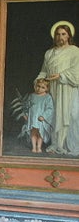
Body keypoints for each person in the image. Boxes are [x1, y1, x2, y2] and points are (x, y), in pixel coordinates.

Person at [35, 20, 79, 155]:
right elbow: (44, 70)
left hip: (67, 87)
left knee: (71, 115)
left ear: (69, 36)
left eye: (63, 34)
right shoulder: (49, 53)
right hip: (53, 88)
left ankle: (69, 145)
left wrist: (61, 75)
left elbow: (77, 70)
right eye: (58, 34)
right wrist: (39, 80)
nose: (60, 37)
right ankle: (56, 144)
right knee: (54, 115)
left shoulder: (74, 51)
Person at [19, 77, 54, 153]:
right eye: (38, 86)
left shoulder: (47, 97)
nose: (39, 89)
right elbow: (27, 106)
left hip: (40, 119)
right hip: (32, 118)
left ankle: (39, 147)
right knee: (33, 132)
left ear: (47, 89)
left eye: (42, 87)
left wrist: (44, 116)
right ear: (35, 86)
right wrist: (26, 114)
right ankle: (34, 147)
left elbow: (50, 108)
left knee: (40, 133)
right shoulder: (32, 96)